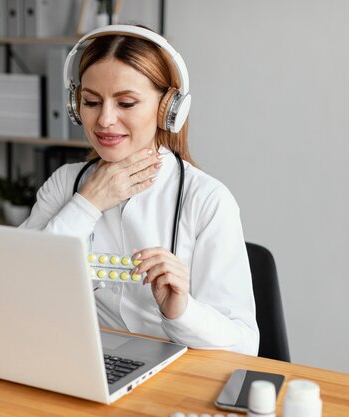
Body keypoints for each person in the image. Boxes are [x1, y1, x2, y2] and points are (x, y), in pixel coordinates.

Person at [20, 25, 259, 355]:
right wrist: (87, 204)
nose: (104, 120)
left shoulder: (207, 201)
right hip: (76, 363)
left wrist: (180, 311)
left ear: (167, 108)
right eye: (91, 101)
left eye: (127, 103)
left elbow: (245, 345)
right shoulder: (66, 184)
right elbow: (15, 289)